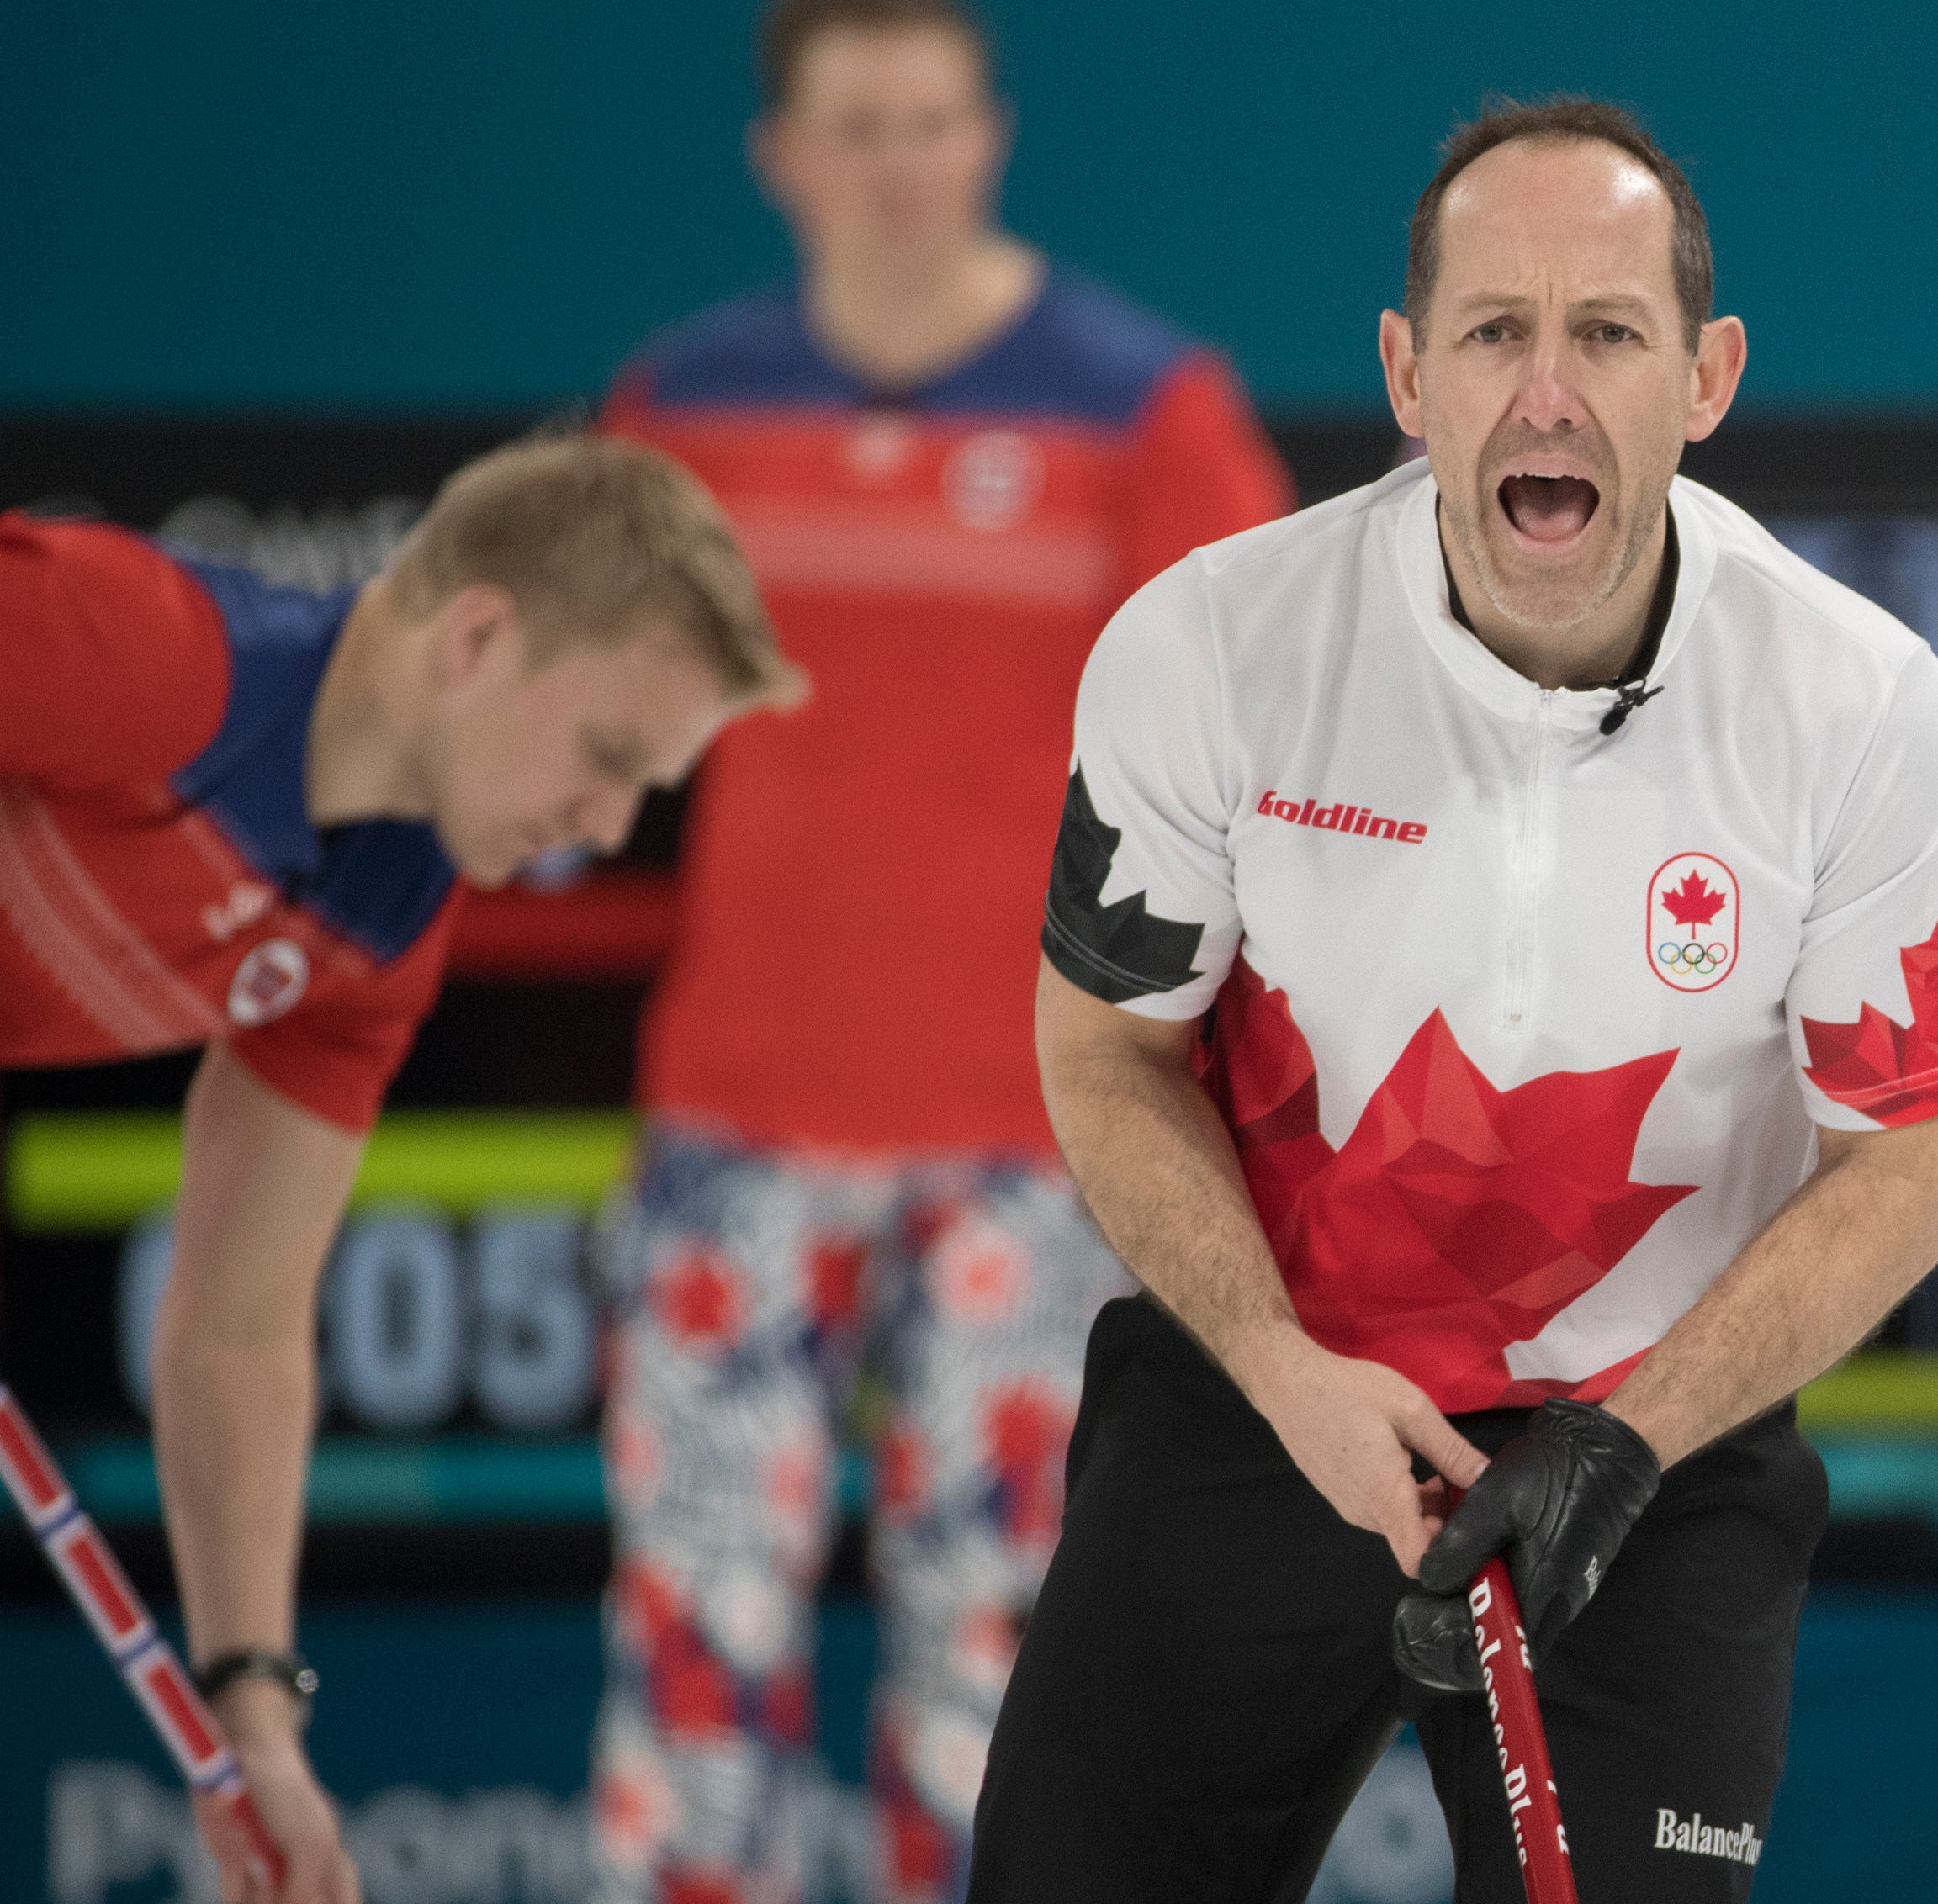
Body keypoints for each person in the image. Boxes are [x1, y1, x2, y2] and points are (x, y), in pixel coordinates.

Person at [970, 97, 1938, 1901]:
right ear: (1405, 373)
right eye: (1492, 332)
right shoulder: (1208, 653)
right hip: (1268, 1394)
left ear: (1707, 377)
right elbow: (1107, 1049)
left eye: (1607, 331)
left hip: (1655, 1430)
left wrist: (1629, 1439)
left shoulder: (1867, 715)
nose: (1546, 391)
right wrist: (1286, 1372)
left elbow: (1909, 1159)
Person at [589, 3, 1291, 1899]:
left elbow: (1279, 759)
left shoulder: (1147, 408)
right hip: (733, 1133)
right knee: (691, 1657)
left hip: (1037, 1149)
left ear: (991, 136)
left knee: (995, 1677)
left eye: (932, 123)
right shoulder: (684, 406)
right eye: (859, 127)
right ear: (783, 158)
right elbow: (561, 735)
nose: (900, 164)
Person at [0, 431, 798, 1904]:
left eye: (649, 793)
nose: (610, 828)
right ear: (479, 635)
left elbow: (238, 1322)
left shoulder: (385, 922)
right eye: (609, 759)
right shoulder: (146, 655)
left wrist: (254, 1713)